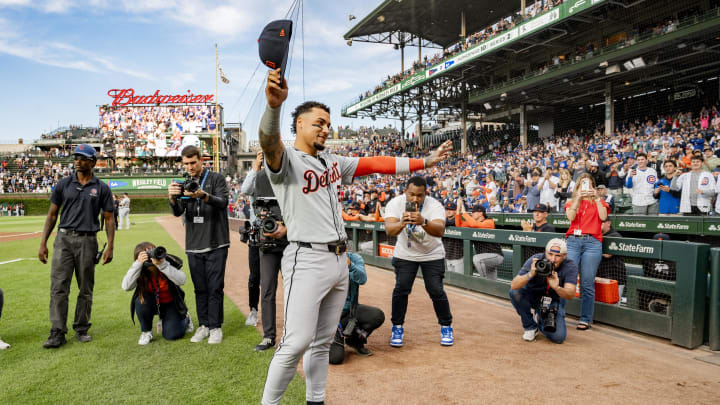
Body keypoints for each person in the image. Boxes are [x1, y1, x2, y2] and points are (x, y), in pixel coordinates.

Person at [258, 68, 451, 405]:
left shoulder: (333, 160)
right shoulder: (286, 159)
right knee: (295, 342)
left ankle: (315, 401)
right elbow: (268, 142)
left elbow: (377, 162)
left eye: (327, 124)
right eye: (317, 122)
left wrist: (425, 162)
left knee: (320, 343)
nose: (325, 128)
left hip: (338, 260)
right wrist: (274, 107)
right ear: (299, 124)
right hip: (307, 257)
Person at [38, 144, 115, 348]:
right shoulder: (63, 184)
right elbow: (52, 214)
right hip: (63, 240)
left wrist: (110, 247)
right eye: (76, 158)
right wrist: (43, 243)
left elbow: (109, 219)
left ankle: (81, 328)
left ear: (93, 162)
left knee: (85, 288)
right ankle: (57, 331)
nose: (77, 161)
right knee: (59, 287)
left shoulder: (102, 188)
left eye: (82, 158)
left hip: (88, 240)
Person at [168, 145, 229, 344]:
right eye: (186, 164)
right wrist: (172, 198)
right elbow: (178, 212)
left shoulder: (216, 178)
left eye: (193, 162)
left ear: (201, 160)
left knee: (215, 287)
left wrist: (202, 195)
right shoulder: (185, 182)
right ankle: (203, 325)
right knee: (200, 288)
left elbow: (222, 202)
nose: (190, 167)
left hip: (216, 242)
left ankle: (215, 327)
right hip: (193, 244)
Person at [385, 176, 454, 348]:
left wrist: (423, 221)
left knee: (436, 290)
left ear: (426, 193)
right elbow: (389, 230)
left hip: (432, 253)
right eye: (411, 194)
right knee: (401, 289)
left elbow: (439, 231)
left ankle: (446, 326)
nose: (415, 199)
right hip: (405, 254)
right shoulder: (395, 203)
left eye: (420, 195)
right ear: (405, 192)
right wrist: (402, 222)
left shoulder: (434, 205)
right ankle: (397, 327)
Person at [243, 151, 289, 352]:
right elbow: (248, 193)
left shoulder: (291, 175)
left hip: (291, 241)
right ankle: (269, 336)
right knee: (267, 289)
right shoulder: (260, 177)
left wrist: (286, 226)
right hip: (267, 241)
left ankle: (295, 337)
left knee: (295, 290)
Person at [121, 242, 193, 345]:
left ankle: (186, 318)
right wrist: (138, 264)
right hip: (151, 304)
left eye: (152, 251)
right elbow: (126, 286)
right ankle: (146, 332)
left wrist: (163, 265)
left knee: (172, 335)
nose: (151, 256)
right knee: (141, 301)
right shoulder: (139, 269)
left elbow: (182, 280)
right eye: (147, 254)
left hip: (170, 303)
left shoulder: (165, 262)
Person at [509, 238, 577, 343]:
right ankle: (530, 327)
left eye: (558, 256)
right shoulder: (536, 260)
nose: (553, 259)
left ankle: (540, 318)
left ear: (564, 255)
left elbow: (570, 294)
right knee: (515, 293)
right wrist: (530, 274)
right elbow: (514, 285)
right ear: (545, 252)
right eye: (550, 254)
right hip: (532, 296)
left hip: (552, 301)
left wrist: (557, 287)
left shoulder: (570, 265)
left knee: (558, 337)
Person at [564, 173, 609, 331]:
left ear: (593, 186)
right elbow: (570, 217)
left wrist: (596, 198)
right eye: (583, 184)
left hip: (592, 243)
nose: (586, 187)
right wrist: (577, 198)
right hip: (573, 242)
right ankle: (557, 312)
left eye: (589, 184)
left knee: (587, 283)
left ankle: (585, 318)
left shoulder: (599, 201)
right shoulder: (572, 201)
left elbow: (603, 217)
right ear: (578, 186)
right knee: (566, 277)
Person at [329, 251, 385, 365]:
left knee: (377, 316)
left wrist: (349, 265)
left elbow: (362, 279)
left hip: (350, 312)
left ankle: (355, 340)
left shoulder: (354, 258)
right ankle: (331, 338)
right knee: (336, 358)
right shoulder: (322, 260)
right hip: (330, 319)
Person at [240, 151, 263, 327]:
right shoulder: (256, 179)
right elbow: (245, 189)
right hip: (257, 235)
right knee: (254, 277)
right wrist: (256, 165)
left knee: (287, 276)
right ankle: (253, 310)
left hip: (280, 234)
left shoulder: (279, 178)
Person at [455, 201, 503, 279]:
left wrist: (464, 212)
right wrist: (458, 209)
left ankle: (483, 281)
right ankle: (488, 286)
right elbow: (458, 225)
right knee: (492, 284)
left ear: (480, 213)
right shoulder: (472, 224)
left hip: (495, 256)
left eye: (473, 212)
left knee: (477, 259)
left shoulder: (489, 222)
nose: (471, 214)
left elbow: (474, 224)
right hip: (484, 258)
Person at [597, 218, 626, 297]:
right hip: (600, 277)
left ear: (608, 223)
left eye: (601, 223)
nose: (598, 225)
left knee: (614, 305)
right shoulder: (596, 235)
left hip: (615, 279)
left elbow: (607, 254)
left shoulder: (615, 235)